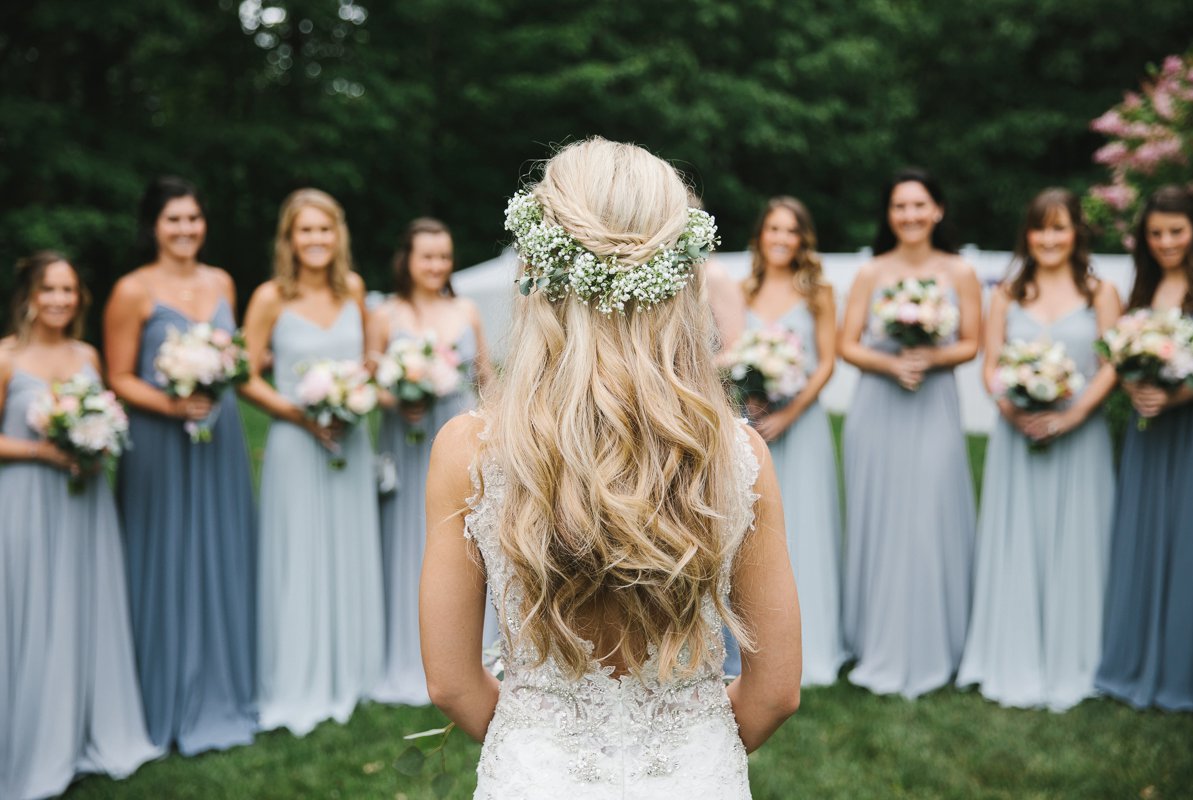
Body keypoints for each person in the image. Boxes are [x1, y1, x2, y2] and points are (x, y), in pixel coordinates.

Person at [420, 138, 802, 798]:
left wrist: (537, 741)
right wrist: (693, 744)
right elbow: (775, 695)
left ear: (539, 268)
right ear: (681, 276)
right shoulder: (737, 456)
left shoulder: (469, 451)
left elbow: (450, 684)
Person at [103, 177, 258, 753]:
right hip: (159, 442)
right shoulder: (132, 291)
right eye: (174, 220)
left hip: (219, 437)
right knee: (164, 555)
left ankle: (225, 686)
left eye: (193, 218)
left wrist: (217, 381)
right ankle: (164, 695)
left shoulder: (222, 282)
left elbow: (234, 357)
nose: (186, 229)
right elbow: (116, 376)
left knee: (219, 553)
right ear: (154, 226)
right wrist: (172, 403)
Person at [0, 252, 161, 799]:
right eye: (50, 290)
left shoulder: (87, 353)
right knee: (36, 608)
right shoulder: (6, 357)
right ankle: (35, 740)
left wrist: (97, 440)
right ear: (28, 295)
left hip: (86, 502)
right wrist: (41, 451)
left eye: (69, 290)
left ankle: (87, 730)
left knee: (83, 607)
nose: (60, 300)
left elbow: (106, 417)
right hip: (28, 500)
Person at [957, 189, 1119, 710]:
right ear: (1027, 234)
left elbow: (1112, 364)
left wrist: (1071, 416)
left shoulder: (1101, 293)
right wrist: (1012, 408)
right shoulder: (1005, 292)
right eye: (1040, 228)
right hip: (1018, 433)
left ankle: (1075, 657)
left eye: (1060, 228)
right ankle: (1013, 653)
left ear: (1077, 234)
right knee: (1018, 539)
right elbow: (990, 364)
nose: (1049, 239)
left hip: (1082, 436)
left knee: (1078, 541)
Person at [239, 188, 385, 734]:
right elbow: (246, 374)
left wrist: (354, 392)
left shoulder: (354, 290)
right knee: (297, 553)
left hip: (349, 438)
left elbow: (369, 359)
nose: (316, 240)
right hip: (294, 443)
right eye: (305, 230)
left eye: (325, 229)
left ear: (337, 235)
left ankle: (354, 669)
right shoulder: (270, 297)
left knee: (349, 547)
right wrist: (301, 414)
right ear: (289, 239)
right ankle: (296, 677)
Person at [838, 167, 981, 699]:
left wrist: (929, 357)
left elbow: (971, 343)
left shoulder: (960, 271)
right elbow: (847, 345)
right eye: (900, 206)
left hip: (933, 408)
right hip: (878, 408)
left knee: (930, 517)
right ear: (889, 214)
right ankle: (874, 638)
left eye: (920, 205)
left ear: (938, 210)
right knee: (883, 519)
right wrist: (890, 365)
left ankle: (937, 644)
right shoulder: (872, 272)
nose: (911, 215)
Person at [367, 218, 493, 705]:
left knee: (464, 537)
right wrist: (397, 396)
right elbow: (370, 380)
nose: (438, 265)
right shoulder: (386, 314)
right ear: (408, 260)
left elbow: (485, 376)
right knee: (409, 540)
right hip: (409, 439)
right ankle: (407, 653)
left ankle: (472, 650)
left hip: (459, 441)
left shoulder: (466, 309)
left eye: (444, 256)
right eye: (428, 256)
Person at [1096, 185, 1193, 711]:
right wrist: (1134, 385)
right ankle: (1139, 660)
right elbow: (1121, 358)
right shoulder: (1139, 289)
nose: (1165, 242)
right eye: (1155, 233)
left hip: (1191, 433)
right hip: (1148, 435)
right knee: (1145, 537)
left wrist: (1178, 394)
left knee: (1189, 542)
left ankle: (1183, 670)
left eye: (1176, 231)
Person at [736, 196, 844, 686]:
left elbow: (826, 361)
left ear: (803, 239)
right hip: (751, 424)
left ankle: (813, 645)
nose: (781, 238)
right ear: (760, 236)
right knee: (749, 530)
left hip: (801, 425)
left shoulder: (817, 291)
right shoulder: (741, 290)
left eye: (791, 230)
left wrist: (791, 411)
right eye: (773, 229)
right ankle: (748, 645)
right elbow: (728, 354)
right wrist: (748, 394)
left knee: (804, 526)